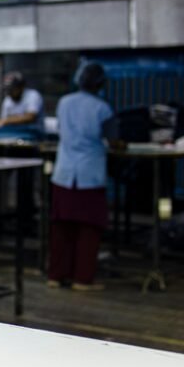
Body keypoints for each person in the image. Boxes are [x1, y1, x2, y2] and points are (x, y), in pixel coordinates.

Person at [48, 63, 117, 291]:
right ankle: (82, 278)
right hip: (89, 174)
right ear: (100, 84)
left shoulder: (64, 102)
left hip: (64, 172)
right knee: (88, 228)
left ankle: (56, 275)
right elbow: (114, 140)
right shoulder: (103, 108)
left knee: (61, 227)